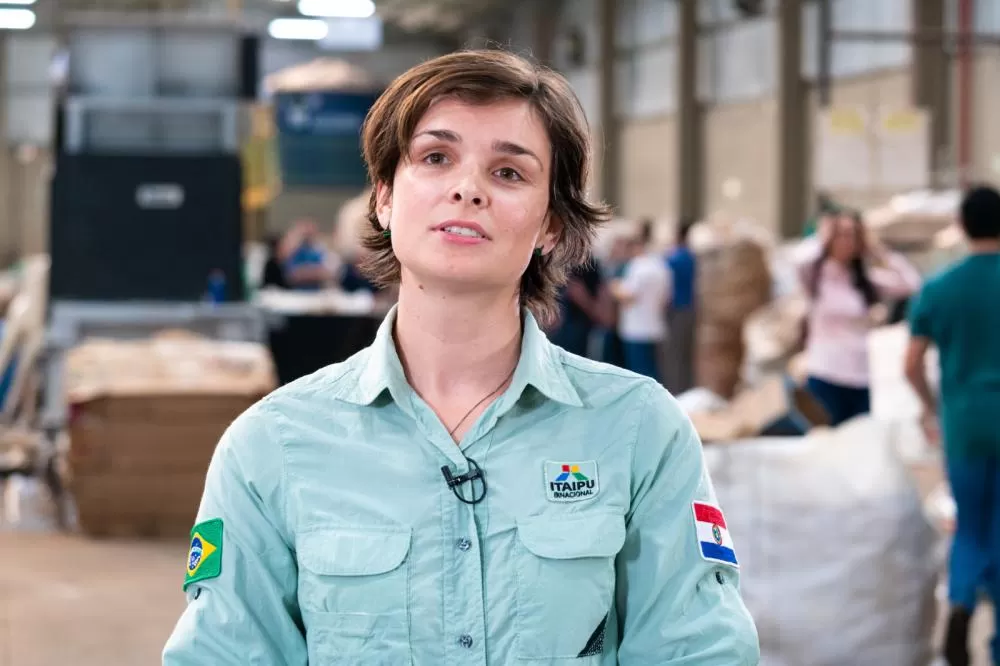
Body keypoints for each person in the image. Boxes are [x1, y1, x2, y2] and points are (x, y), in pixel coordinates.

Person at [162, 49, 759, 665]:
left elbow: (698, 651)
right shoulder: (272, 446)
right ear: (385, 198)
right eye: (436, 157)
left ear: (550, 224)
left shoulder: (636, 429)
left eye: (509, 172)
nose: (467, 188)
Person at [904, 184, 1000, 666]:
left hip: (964, 423)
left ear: (961, 226)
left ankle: (961, 597)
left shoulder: (941, 287)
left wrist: (928, 406)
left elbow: (912, 361)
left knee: (970, 526)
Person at [796, 210, 921, 426]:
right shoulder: (815, 277)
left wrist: (878, 252)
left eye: (853, 235)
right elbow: (798, 258)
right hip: (825, 373)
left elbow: (911, 283)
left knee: (857, 448)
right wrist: (824, 235)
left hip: (859, 376)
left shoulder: (865, 282)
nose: (847, 241)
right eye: (841, 234)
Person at [612, 220, 672, 381]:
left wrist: (615, 286)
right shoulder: (662, 266)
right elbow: (667, 299)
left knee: (639, 374)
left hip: (636, 329)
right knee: (653, 371)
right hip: (656, 327)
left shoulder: (637, 266)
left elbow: (628, 295)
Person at [547, 257, 612, 358]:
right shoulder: (553, 259)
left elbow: (600, 308)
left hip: (579, 325)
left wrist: (584, 300)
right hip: (560, 325)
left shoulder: (588, 262)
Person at [661, 219, 697, 394]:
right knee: (686, 353)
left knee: (674, 355)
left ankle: (675, 391)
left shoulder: (674, 258)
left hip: (677, 310)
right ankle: (686, 388)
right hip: (690, 308)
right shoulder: (692, 257)